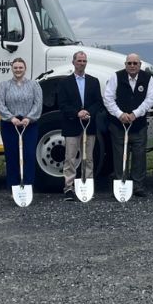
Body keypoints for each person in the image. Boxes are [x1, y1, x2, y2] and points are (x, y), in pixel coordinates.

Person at [103, 52, 153, 197]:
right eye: (129, 63)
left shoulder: (147, 78)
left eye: (135, 63)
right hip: (118, 124)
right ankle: (121, 183)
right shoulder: (116, 76)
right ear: (125, 64)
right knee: (120, 155)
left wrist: (135, 114)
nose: (132, 66)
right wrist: (120, 114)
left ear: (140, 65)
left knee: (139, 155)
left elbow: (150, 99)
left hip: (138, 124)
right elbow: (108, 98)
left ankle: (138, 185)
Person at [58, 50, 104, 200]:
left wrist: (88, 112)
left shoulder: (93, 81)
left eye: (84, 61)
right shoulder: (65, 82)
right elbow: (62, 104)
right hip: (72, 125)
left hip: (89, 125)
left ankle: (87, 185)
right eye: (79, 61)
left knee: (88, 158)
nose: (81, 63)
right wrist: (77, 113)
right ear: (73, 62)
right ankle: (69, 187)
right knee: (70, 158)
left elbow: (98, 102)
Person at [0, 56, 43, 197]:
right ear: (12, 68)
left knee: (28, 155)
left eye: (20, 67)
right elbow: (0, 104)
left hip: (29, 124)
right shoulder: (4, 85)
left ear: (25, 69)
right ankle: (13, 187)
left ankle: (28, 186)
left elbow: (38, 103)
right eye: (15, 67)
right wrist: (11, 118)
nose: (18, 70)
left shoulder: (34, 85)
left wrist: (29, 118)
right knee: (12, 156)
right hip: (10, 125)